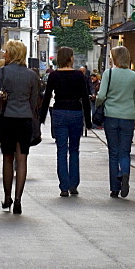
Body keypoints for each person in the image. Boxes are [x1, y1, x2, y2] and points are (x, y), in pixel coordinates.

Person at [40, 46, 92, 196]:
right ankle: (73, 184)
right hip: (76, 111)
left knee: (61, 150)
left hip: (59, 112)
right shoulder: (78, 75)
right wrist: (88, 121)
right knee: (74, 150)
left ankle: (64, 186)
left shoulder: (54, 76)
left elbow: (47, 97)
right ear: (70, 58)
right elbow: (85, 98)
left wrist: (42, 117)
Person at [0, 40, 40, 214]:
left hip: (8, 118)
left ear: (12, 53)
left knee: (7, 159)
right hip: (25, 119)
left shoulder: (2, 72)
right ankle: (19, 200)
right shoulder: (31, 75)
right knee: (22, 160)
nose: (4, 54)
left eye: (6, 51)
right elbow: (35, 100)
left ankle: (7, 197)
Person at [95, 45, 135, 198]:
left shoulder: (109, 73)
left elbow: (101, 96)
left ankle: (115, 187)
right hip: (128, 116)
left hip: (111, 116)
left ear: (115, 58)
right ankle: (125, 172)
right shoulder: (134, 76)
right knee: (125, 151)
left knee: (113, 152)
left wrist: (97, 105)